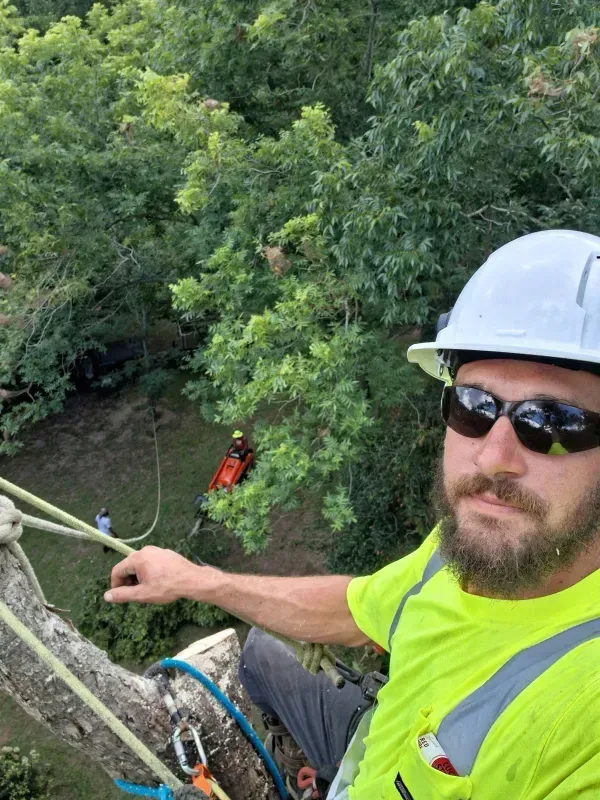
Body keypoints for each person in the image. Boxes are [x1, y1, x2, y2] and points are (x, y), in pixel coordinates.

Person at [104, 230, 600, 799]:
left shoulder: (583, 709)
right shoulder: (453, 552)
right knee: (260, 654)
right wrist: (196, 580)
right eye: (473, 406)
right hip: (367, 762)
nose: (493, 456)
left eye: (552, 422)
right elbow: (356, 606)